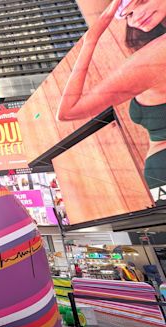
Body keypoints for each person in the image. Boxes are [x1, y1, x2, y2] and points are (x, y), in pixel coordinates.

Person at [57, 0, 166, 203]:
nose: (137, 15)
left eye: (142, 1)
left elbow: (68, 111)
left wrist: (91, 39)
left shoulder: (156, 54)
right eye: (127, 14)